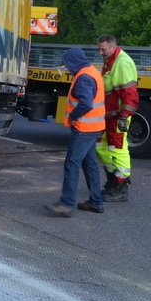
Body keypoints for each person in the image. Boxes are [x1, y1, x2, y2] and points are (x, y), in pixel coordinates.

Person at [45, 47, 106, 216]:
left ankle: (66, 204)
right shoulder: (92, 71)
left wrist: (73, 116)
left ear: (73, 62)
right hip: (94, 127)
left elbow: (86, 103)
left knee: (72, 163)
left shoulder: (83, 78)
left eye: (67, 64)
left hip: (84, 128)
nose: (67, 68)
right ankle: (96, 201)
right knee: (90, 163)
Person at [96, 34, 139, 202]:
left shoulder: (122, 63)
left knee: (118, 150)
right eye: (99, 49)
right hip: (109, 115)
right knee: (101, 148)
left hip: (118, 116)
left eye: (103, 49)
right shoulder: (111, 61)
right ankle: (113, 181)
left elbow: (129, 93)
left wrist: (124, 116)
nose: (100, 52)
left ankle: (121, 187)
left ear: (112, 47)